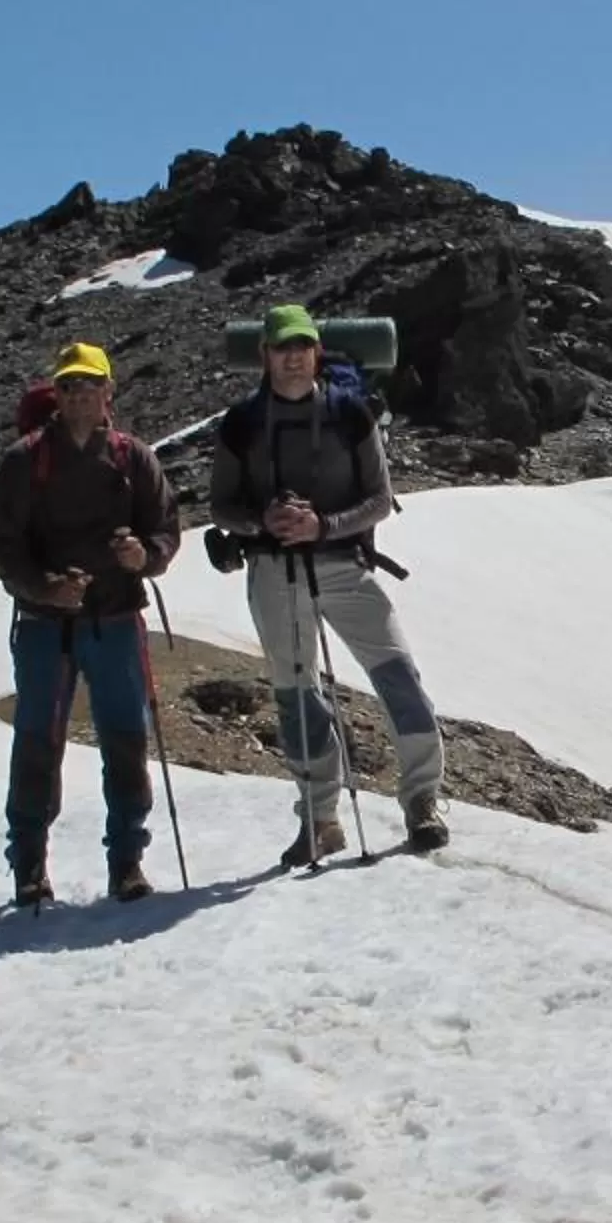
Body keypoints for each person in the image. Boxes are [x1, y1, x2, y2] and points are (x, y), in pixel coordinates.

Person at [207, 304, 448, 865]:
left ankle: (421, 802)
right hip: (273, 569)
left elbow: (380, 499)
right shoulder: (240, 423)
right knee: (296, 695)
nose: (292, 358)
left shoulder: (349, 413)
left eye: (301, 347)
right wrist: (261, 523)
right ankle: (320, 818)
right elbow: (221, 502)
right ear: (265, 354)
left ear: (315, 352)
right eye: (281, 348)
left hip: (342, 564)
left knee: (399, 678)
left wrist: (323, 526)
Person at [0, 341, 182, 905]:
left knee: (122, 740)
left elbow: (164, 527)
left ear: (107, 392)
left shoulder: (131, 457)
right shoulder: (26, 459)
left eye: (88, 385)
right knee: (40, 743)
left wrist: (145, 556)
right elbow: (7, 545)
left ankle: (125, 860)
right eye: (69, 386)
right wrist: (48, 588)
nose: (79, 396)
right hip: (54, 622)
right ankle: (30, 864)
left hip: (110, 618)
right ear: (58, 392)